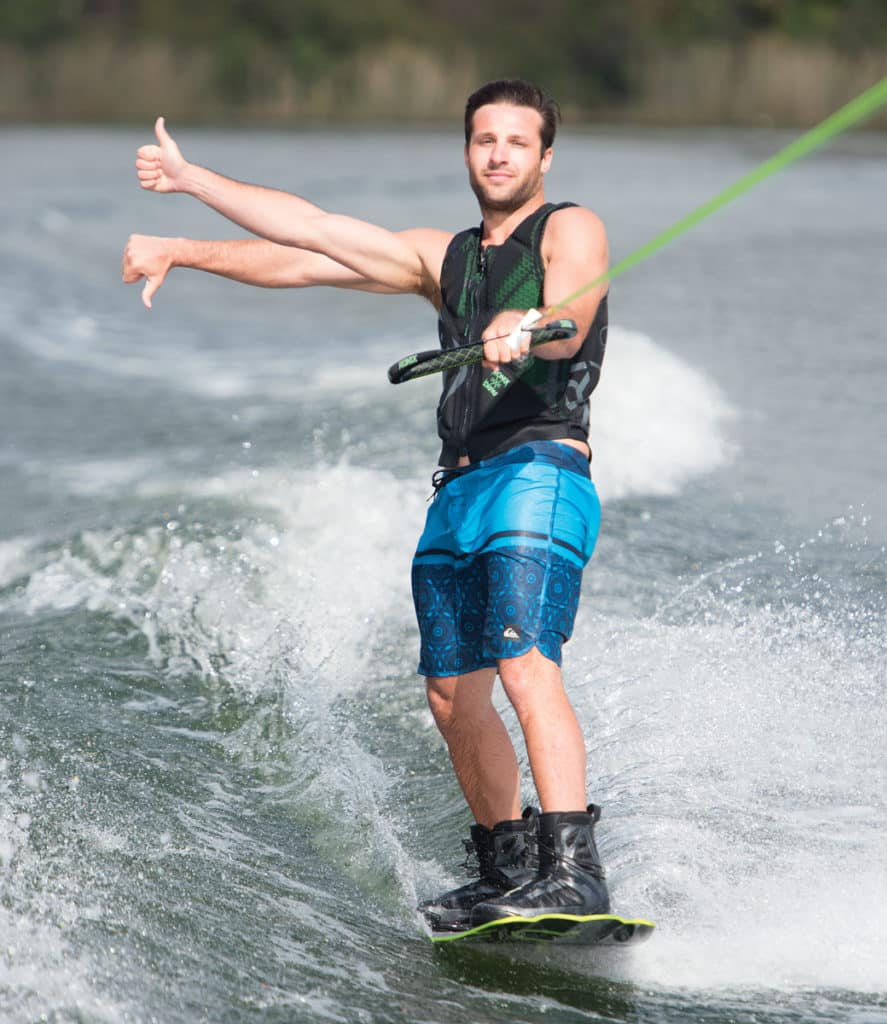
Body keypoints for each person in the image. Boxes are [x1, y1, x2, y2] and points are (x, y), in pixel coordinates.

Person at [123, 79, 611, 931]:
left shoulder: (567, 227)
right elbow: (306, 244)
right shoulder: (441, 257)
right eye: (482, 139)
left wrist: (529, 319)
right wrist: (187, 222)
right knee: (452, 696)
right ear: (466, 151)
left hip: (539, 468)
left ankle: (573, 871)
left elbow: (572, 311)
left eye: (515, 141)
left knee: (524, 660)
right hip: (458, 486)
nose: (497, 153)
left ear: (542, 155)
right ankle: (506, 866)